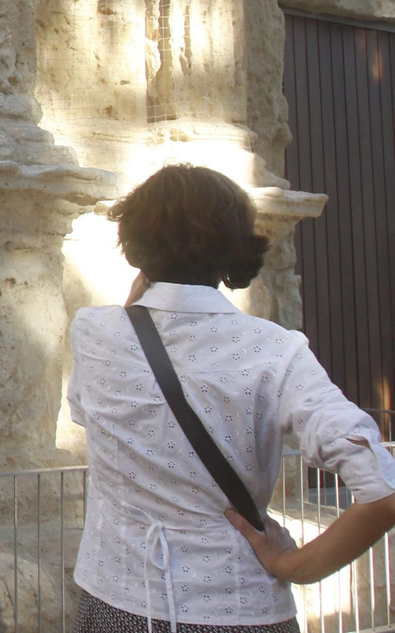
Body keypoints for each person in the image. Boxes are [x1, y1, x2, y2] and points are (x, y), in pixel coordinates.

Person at [68, 164, 395, 633]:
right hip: (240, 605)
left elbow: (87, 413)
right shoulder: (276, 350)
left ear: (134, 243)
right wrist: (294, 567)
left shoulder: (96, 331)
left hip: (118, 598)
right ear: (235, 247)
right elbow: (383, 494)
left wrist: (139, 300)